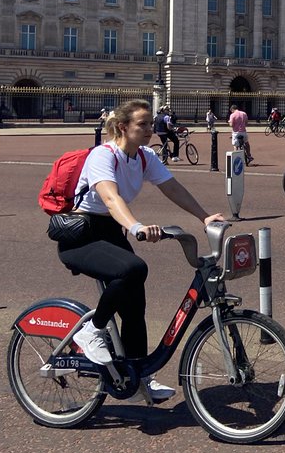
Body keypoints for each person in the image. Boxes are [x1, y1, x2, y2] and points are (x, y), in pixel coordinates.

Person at [58, 99, 226, 401]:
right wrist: (136, 226)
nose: (151, 129)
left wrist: (204, 216)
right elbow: (109, 198)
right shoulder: (102, 155)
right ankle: (91, 331)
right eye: (143, 124)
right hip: (82, 236)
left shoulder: (145, 157)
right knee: (134, 269)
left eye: (151, 124)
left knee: (135, 307)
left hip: (111, 232)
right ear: (123, 127)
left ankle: (138, 377)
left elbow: (172, 188)